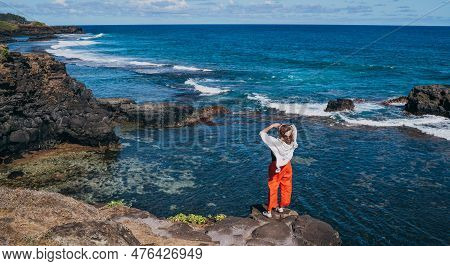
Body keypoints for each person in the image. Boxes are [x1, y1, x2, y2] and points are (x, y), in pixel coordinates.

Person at [259, 123, 298, 218]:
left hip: (276, 167)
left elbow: (262, 133)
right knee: (286, 186)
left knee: (273, 187)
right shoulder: (292, 140)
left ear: (280, 134)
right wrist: (282, 127)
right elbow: (294, 127)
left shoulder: (275, 142)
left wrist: (273, 126)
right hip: (287, 166)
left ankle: (269, 211)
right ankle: (281, 207)